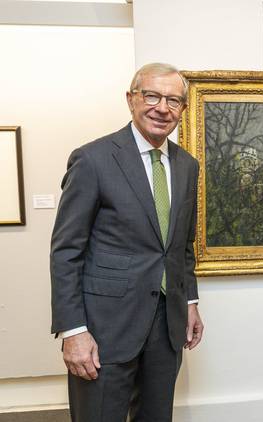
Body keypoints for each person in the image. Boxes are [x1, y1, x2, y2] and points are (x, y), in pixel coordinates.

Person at [50, 62, 204, 422]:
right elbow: (66, 252)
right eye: (151, 95)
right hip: (105, 330)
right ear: (131, 99)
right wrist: (73, 331)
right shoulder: (92, 160)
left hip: (166, 327)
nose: (162, 107)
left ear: (182, 109)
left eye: (173, 100)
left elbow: (182, 246)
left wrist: (191, 301)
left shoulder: (187, 165)